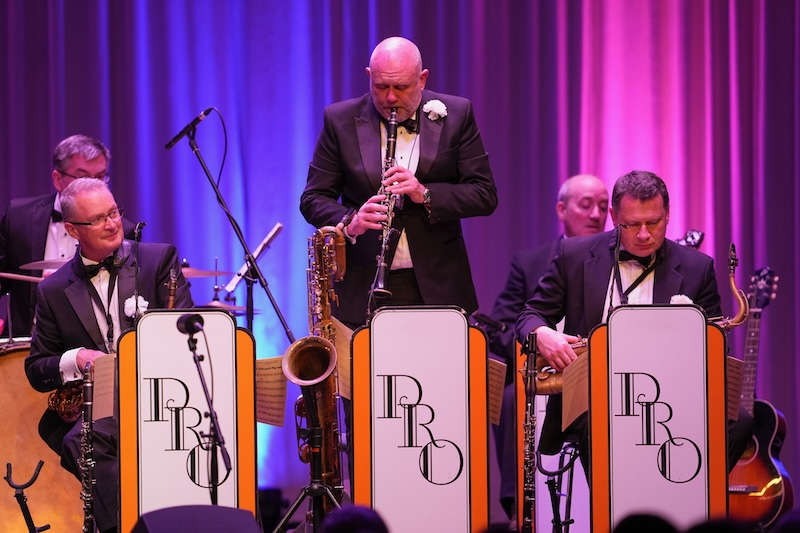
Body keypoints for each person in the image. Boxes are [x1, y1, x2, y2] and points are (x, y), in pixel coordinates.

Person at [517, 170, 726, 470]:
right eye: (632, 224)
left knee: (741, 421)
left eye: (653, 223)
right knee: (601, 422)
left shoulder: (698, 267)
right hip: (593, 398)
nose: (644, 234)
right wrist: (542, 334)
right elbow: (529, 315)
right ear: (614, 217)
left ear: (668, 214)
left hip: (673, 397)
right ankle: (611, 514)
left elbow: (718, 343)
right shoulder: (573, 255)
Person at [25, 178, 192, 532]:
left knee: (89, 441)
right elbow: (36, 369)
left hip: (160, 392)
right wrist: (76, 358)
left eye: (114, 212)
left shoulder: (158, 259)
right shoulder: (52, 290)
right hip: (99, 405)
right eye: (98, 219)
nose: (112, 223)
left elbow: (186, 332)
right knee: (82, 438)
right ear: (72, 229)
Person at [300, 36, 497, 328]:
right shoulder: (339, 119)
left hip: (437, 287)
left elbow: (485, 194)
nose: (390, 98)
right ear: (369, 76)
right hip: (362, 286)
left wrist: (424, 193)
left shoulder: (456, 114)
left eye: (401, 87)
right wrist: (350, 221)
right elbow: (313, 198)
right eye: (381, 87)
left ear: (422, 78)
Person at [487, 173, 608, 518]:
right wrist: (541, 343)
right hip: (544, 369)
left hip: (603, 369)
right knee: (510, 397)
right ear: (561, 209)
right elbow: (504, 324)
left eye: (603, 207)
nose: (596, 215)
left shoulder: (620, 260)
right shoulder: (530, 263)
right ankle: (517, 510)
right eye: (586, 205)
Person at [0, 134, 134, 336]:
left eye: (99, 177)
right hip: (23, 344)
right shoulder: (19, 218)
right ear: (57, 179)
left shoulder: (119, 229)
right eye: (82, 177)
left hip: (93, 346)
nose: (92, 186)